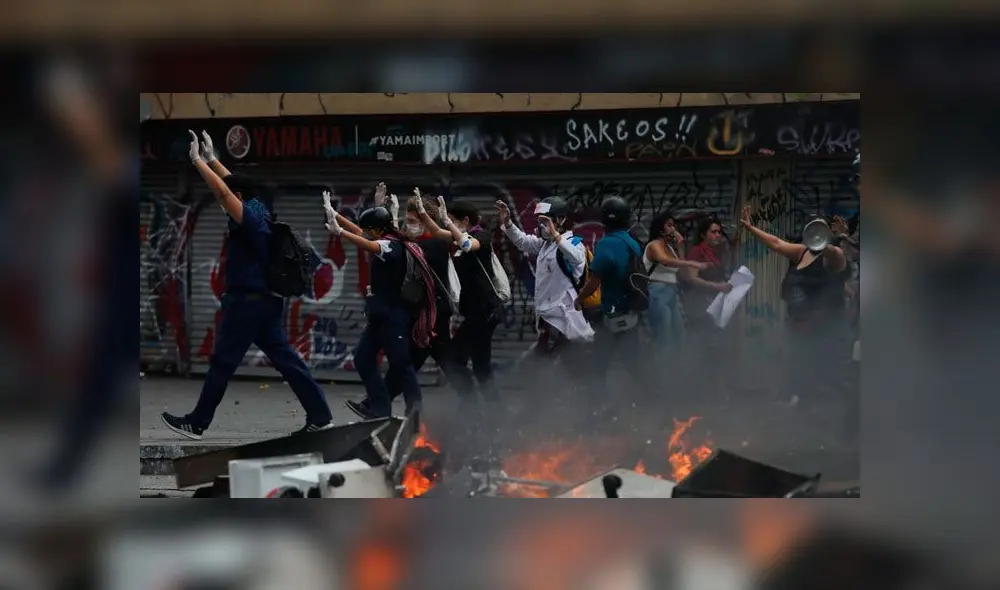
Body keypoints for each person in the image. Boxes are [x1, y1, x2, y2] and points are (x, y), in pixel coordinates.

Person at [161, 131, 334, 439]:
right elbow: (235, 186)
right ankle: (320, 415)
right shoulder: (259, 208)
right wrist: (214, 159)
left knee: (222, 362)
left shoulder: (249, 218)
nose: (228, 205)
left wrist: (198, 162)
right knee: (286, 359)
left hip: (247, 304)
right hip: (266, 302)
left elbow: (226, 194)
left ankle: (197, 423)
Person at [345, 191, 463, 418]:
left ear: (426, 221)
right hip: (420, 316)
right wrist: (382, 209)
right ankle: (378, 407)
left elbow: (398, 246)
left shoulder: (434, 245)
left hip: (433, 318)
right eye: (405, 221)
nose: (408, 226)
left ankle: (472, 401)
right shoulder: (413, 243)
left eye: (413, 221)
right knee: (405, 364)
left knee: (441, 365)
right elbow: (389, 240)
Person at [326, 195, 435, 419]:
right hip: (378, 316)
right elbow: (361, 232)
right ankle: (379, 408)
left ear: (377, 230)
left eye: (370, 230)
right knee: (363, 358)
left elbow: (368, 243)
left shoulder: (392, 247)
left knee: (401, 364)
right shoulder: (387, 239)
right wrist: (334, 214)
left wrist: (341, 233)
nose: (366, 232)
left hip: (393, 316)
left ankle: (416, 412)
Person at [739, 205, 850, 408]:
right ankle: (801, 412)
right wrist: (750, 227)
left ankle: (828, 421)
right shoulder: (802, 252)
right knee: (799, 370)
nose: (817, 232)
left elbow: (837, 256)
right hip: (799, 326)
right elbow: (776, 243)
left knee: (825, 377)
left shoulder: (834, 256)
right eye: (813, 228)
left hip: (824, 328)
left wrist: (835, 239)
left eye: (822, 228)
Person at [415, 192, 504, 411]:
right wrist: (422, 212)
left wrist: (447, 223)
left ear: (465, 221)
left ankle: (470, 406)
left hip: (485, 311)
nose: (450, 225)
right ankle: (493, 408)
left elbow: (466, 244)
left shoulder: (481, 237)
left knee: (456, 358)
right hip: (476, 313)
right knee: (481, 364)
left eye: (454, 221)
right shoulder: (457, 235)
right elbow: (436, 232)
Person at [573, 197, 652, 411]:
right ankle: (660, 402)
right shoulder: (631, 241)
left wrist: (579, 299)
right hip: (631, 314)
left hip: (613, 316)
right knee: (634, 366)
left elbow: (594, 281)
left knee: (597, 368)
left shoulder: (607, 243)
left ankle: (599, 412)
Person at [497, 197, 594, 360]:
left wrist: (556, 235)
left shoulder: (573, 243)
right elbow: (523, 242)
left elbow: (576, 257)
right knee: (547, 363)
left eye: (546, 221)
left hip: (564, 319)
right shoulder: (546, 244)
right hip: (547, 317)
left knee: (557, 365)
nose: (541, 225)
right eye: (540, 221)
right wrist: (508, 223)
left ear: (560, 220)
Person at [643, 211, 708, 353]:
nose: (673, 229)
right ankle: (661, 371)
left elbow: (683, 272)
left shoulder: (671, 249)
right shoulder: (654, 245)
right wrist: (693, 263)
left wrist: (680, 247)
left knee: (678, 334)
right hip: (657, 292)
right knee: (663, 335)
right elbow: (665, 261)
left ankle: (674, 370)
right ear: (661, 228)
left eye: (674, 226)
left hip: (672, 292)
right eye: (669, 225)